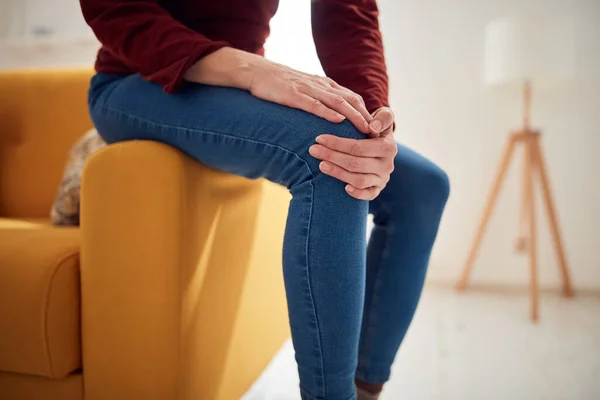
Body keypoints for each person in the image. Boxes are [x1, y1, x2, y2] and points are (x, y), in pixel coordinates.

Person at [79, 1, 450, 399]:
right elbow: (117, 10)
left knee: (421, 186)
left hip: (232, 86)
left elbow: (349, 15)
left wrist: (375, 122)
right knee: (327, 159)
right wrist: (248, 69)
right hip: (140, 78)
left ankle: (365, 390)